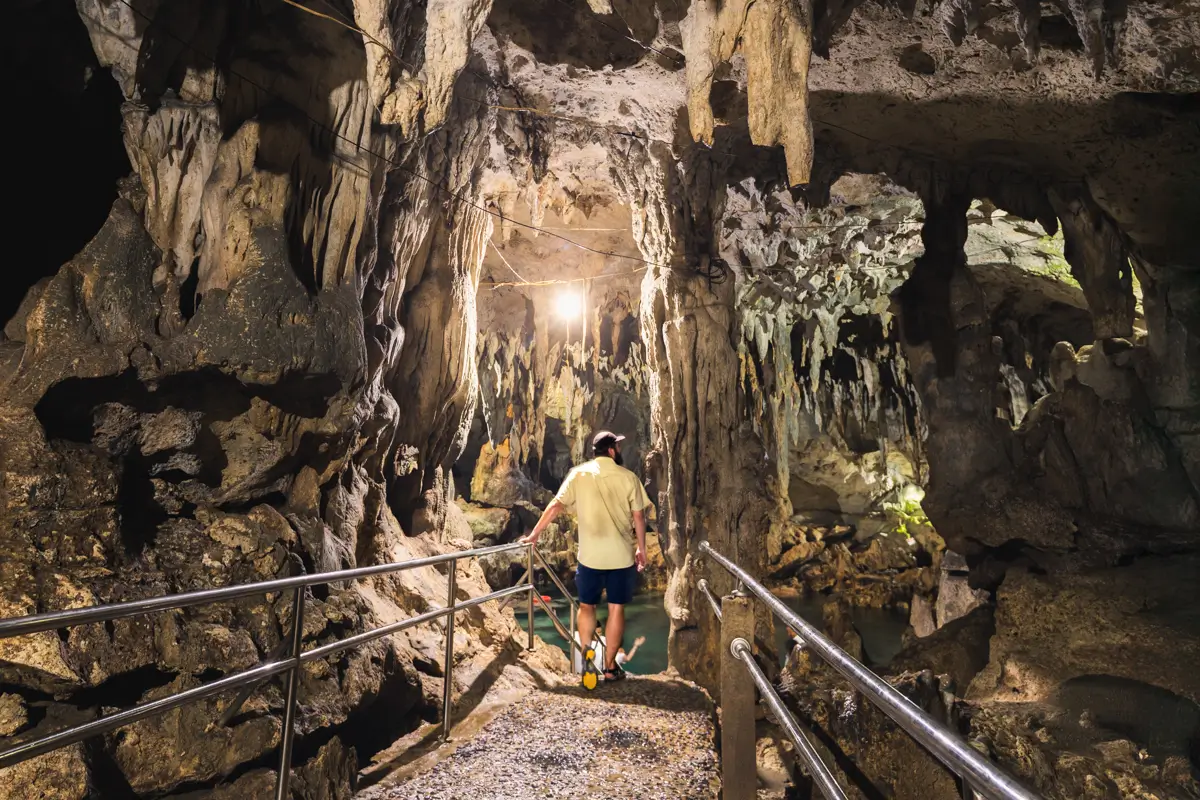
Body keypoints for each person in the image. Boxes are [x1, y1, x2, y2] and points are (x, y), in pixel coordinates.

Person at [522, 430, 651, 687]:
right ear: (612, 451)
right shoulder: (628, 477)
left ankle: (586, 658)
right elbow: (638, 517)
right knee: (615, 609)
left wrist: (534, 534)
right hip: (620, 557)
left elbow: (556, 505)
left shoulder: (578, 474)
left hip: (589, 557)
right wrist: (642, 549)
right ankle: (611, 667)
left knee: (586, 607)